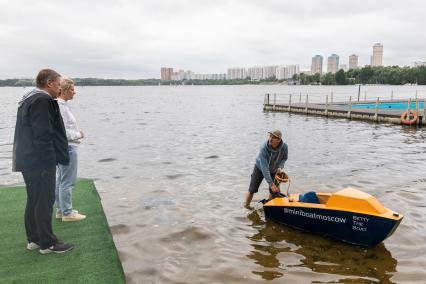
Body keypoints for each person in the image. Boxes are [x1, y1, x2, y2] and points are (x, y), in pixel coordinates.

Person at [12, 69, 74, 254]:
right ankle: (48, 243)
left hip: (28, 158)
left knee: (34, 199)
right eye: (58, 84)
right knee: (45, 200)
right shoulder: (42, 100)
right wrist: (49, 160)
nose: (60, 88)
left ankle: (34, 239)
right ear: (49, 83)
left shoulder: (29, 98)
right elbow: (43, 134)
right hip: (39, 160)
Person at [55, 78, 86, 221]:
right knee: (67, 181)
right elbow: (63, 132)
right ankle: (67, 213)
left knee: (61, 179)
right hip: (68, 147)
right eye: (72, 89)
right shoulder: (60, 106)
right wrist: (79, 134)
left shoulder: (61, 105)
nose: (75, 92)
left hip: (65, 147)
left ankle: (61, 210)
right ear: (64, 90)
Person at [245, 130, 288, 208]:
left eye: (273, 137)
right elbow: (264, 168)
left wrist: (280, 167)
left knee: (274, 191)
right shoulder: (263, 147)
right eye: (270, 136)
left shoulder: (284, 147)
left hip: (274, 169)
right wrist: (271, 184)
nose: (270, 139)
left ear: (278, 140)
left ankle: (268, 207)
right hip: (260, 168)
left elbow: (284, 158)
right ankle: (246, 206)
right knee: (252, 189)